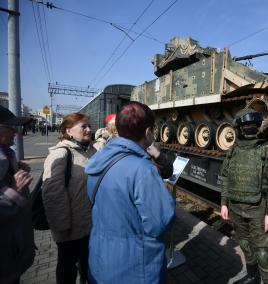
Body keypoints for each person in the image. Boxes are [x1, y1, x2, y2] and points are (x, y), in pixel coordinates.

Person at [85, 102, 175, 284]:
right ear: (148, 131)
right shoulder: (143, 169)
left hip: (101, 258)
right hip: (135, 266)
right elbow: (160, 222)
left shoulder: (99, 159)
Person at [221, 108, 268, 284]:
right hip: (236, 207)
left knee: (262, 253)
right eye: (247, 124)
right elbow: (225, 177)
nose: (251, 127)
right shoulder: (232, 151)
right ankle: (252, 278)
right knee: (245, 245)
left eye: (254, 124)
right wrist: (224, 203)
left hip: (258, 209)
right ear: (240, 127)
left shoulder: (266, 151)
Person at [42, 113, 96, 284]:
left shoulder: (91, 150)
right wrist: (62, 227)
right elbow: (52, 194)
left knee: (88, 267)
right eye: (83, 126)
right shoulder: (61, 154)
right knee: (67, 270)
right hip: (70, 229)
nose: (89, 129)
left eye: (89, 125)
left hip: (89, 225)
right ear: (68, 131)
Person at [0, 105, 34, 284]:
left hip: (12, 249)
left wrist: (16, 169)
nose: (17, 132)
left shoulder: (8, 154)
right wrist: (14, 191)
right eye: (11, 127)